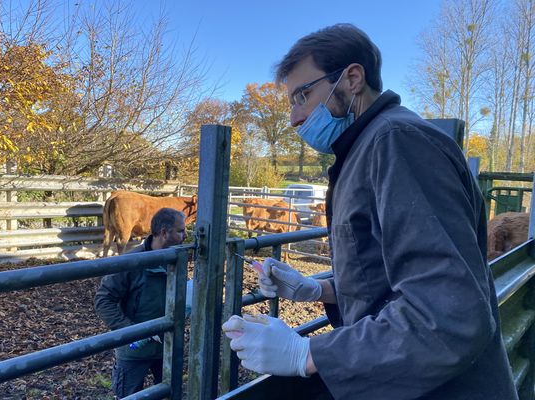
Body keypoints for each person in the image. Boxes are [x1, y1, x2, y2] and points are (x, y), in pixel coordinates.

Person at [222, 24, 518, 400]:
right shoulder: (366, 148)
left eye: (303, 95)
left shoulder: (398, 142)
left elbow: (447, 316)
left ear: (352, 78)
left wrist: (308, 354)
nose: (295, 118)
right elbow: (392, 285)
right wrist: (319, 290)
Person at [95, 207, 187, 398]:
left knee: (171, 392)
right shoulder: (131, 262)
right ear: (164, 233)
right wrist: (131, 331)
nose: (185, 235)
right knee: (129, 394)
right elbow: (103, 300)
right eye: (180, 231)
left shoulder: (178, 258)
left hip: (167, 345)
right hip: (135, 349)